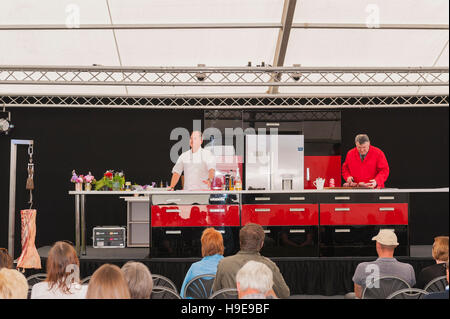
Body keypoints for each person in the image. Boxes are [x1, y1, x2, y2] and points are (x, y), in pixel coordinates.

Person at [212, 223, 290, 299]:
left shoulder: (223, 264)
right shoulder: (269, 265)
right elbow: (284, 294)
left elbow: (215, 292)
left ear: (240, 242)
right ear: (262, 244)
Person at [351, 229, 416, 299]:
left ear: (378, 245)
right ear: (395, 246)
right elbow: (409, 293)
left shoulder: (362, 267)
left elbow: (359, 295)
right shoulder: (408, 269)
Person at [180, 228, 224, 298]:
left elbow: (183, 295)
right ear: (221, 246)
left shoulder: (194, 268)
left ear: (203, 247)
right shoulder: (227, 267)